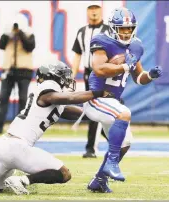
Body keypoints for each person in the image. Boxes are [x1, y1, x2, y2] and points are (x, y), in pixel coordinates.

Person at [0, 60, 109, 195]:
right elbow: (71, 98)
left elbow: (74, 111)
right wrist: (98, 92)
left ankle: (14, 179)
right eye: (63, 75)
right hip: (18, 147)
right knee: (64, 174)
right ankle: (22, 180)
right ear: (53, 76)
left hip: (3, 146)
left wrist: (103, 111)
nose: (67, 80)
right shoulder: (48, 88)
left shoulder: (52, 99)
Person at [84, 7, 162, 193]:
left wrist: (149, 75)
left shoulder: (136, 45)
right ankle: (111, 162)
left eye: (129, 28)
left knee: (125, 143)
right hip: (97, 98)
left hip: (112, 102)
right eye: (123, 28)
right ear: (113, 28)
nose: (126, 32)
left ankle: (99, 181)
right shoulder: (101, 41)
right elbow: (99, 69)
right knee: (124, 113)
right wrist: (126, 66)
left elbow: (138, 77)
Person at [72, 2, 109, 158]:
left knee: (99, 110)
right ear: (87, 12)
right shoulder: (82, 32)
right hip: (89, 74)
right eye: (91, 9)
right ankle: (115, 140)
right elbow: (77, 55)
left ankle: (92, 148)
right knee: (93, 110)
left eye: (96, 9)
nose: (94, 12)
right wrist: (72, 76)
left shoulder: (108, 31)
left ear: (101, 11)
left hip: (105, 73)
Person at [0, 12, 35, 133]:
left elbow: (30, 46)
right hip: (8, 70)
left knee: (23, 99)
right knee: (2, 98)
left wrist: (21, 33)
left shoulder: (29, 33)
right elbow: (0, 45)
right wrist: (9, 33)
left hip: (24, 71)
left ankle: (21, 128)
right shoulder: (7, 33)